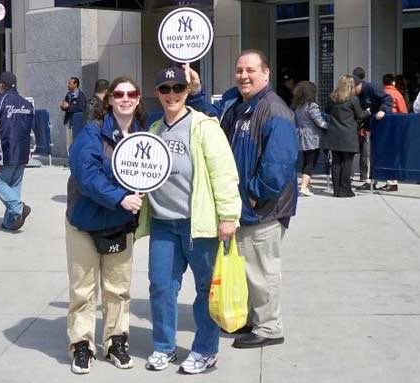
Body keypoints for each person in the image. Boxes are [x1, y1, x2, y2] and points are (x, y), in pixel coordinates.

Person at [186, 49, 299, 349]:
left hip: (263, 211)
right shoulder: (236, 104)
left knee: (262, 272)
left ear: (266, 74)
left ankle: (270, 327)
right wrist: (196, 92)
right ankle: (252, 319)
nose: (244, 76)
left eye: (250, 70)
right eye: (239, 70)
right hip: (241, 208)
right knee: (247, 269)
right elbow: (210, 121)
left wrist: (249, 197)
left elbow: (277, 168)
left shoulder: (275, 111)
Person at [135, 65, 241, 374]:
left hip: (199, 223)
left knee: (207, 289)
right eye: (165, 89)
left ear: (187, 91)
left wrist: (228, 216)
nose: (172, 95)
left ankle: (205, 350)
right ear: (157, 93)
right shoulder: (154, 130)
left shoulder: (204, 126)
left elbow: (223, 173)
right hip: (164, 223)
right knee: (161, 286)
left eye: (178, 89)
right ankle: (164, 346)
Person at [66, 76, 145, 374]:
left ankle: (115, 341)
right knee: (83, 290)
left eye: (132, 94)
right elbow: (86, 175)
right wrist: (120, 198)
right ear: (109, 99)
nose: (125, 98)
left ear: (138, 99)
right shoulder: (92, 132)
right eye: (119, 94)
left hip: (120, 224)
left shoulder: (141, 136)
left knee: (118, 289)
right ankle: (81, 345)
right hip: (84, 223)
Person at [0, 72, 34, 231]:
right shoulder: (27, 104)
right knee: (14, 185)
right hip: (23, 152)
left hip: (5, 152)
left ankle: (19, 208)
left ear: (2, 84)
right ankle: (9, 222)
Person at [326, 75, 370, 197]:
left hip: (334, 134)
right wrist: (368, 111)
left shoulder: (332, 98)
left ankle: (336, 190)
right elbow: (360, 115)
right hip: (348, 134)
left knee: (336, 162)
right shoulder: (353, 99)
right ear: (351, 85)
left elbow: (327, 111)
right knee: (347, 162)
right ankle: (346, 190)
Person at [352, 67, 392, 190]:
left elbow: (388, 99)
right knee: (372, 154)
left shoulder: (371, 88)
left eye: (353, 89)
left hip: (382, 123)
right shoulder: (356, 95)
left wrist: (382, 111)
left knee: (382, 152)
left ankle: (391, 182)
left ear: (358, 85)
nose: (352, 92)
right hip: (370, 125)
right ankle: (372, 181)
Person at [292, 81, 327, 196]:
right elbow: (319, 122)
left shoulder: (298, 106)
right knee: (311, 162)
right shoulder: (312, 105)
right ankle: (303, 187)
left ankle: (307, 184)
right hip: (312, 137)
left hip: (300, 135)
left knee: (305, 161)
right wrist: (329, 126)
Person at [60, 76, 87, 150]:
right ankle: (70, 159)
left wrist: (68, 106)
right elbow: (65, 105)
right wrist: (63, 106)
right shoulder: (68, 94)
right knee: (69, 142)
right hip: (69, 121)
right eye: (68, 83)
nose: (68, 85)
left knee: (76, 141)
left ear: (75, 84)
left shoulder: (80, 96)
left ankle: (75, 159)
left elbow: (81, 108)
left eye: (70, 83)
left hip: (76, 123)